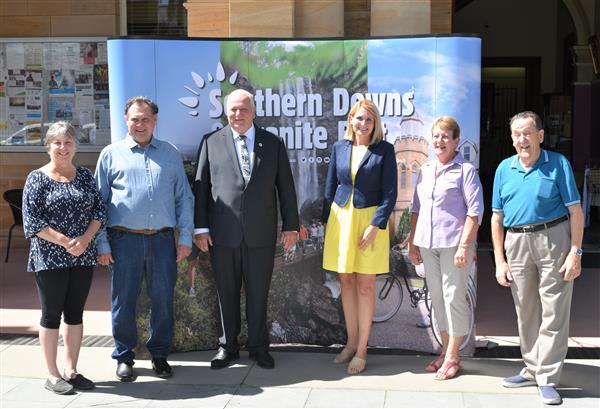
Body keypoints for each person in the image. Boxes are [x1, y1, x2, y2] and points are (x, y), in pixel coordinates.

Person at [194, 89, 299, 370]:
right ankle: (227, 347)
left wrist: (291, 227)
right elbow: (201, 188)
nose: (237, 114)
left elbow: (286, 188)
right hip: (222, 234)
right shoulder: (211, 142)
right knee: (225, 292)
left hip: (261, 235)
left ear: (253, 112)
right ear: (225, 112)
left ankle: (258, 347)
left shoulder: (272, 143)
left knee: (258, 293)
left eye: (243, 109)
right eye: (233, 109)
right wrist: (200, 228)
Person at [95, 96, 194, 381]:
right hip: (123, 241)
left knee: (162, 300)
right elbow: (98, 204)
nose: (140, 124)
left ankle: (159, 355)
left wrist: (185, 237)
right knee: (123, 301)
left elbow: (184, 198)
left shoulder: (170, 153)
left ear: (155, 120)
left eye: (145, 118)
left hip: (162, 241)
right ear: (126, 121)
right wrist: (102, 243)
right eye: (135, 119)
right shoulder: (110, 154)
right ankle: (124, 356)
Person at [491, 111, 583, 405]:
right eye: (517, 134)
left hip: (553, 238)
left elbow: (575, 211)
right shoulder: (504, 169)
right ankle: (531, 368)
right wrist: (499, 260)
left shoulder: (558, 164)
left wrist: (575, 251)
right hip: (515, 241)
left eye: (528, 133)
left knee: (554, 310)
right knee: (526, 310)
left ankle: (547, 377)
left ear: (540, 135)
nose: (522, 140)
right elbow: (496, 218)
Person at [22, 121, 106, 394]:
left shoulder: (84, 175)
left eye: (68, 142)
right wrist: (66, 242)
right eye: (57, 142)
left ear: (75, 147)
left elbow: (100, 212)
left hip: (82, 256)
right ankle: (52, 374)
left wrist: (85, 240)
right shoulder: (36, 178)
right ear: (48, 146)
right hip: (49, 258)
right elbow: (32, 222)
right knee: (51, 316)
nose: (63, 147)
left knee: (75, 314)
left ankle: (72, 370)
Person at [322, 99, 397, 375]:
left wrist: (376, 225)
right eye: (358, 118)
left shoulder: (385, 150)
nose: (362, 124)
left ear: (375, 123)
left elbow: (390, 193)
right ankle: (351, 342)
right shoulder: (339, 148)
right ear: (350, 120)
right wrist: (323, 222)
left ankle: (363, 349)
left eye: (368, 120)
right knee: (346, 280)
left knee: (365, 285)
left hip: (369, 222)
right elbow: (331, 186)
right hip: (341, 219)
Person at [408, 116, 483, 380]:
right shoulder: (426, 169)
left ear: (455, 141)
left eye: (445, 137)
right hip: (428, 244)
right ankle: (444, 351)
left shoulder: (465, 171)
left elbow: (475, 212)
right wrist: (413, 241)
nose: (439, 141)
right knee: (437, 299)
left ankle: (453, 356)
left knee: (453, 297)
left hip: (454, 245)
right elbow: (416, 208)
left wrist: (465, 245)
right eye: (436, 136)